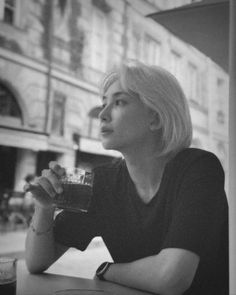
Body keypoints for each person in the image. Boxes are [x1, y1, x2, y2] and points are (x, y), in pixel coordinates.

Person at [24, 60, 228, 295]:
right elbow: (36, 262)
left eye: (119, 102)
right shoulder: (102, 182)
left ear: (156, 118)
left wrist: (107, 270)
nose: (101, 114)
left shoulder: (199, 168)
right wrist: (44, 208)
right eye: (104, 103)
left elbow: (171, 278)